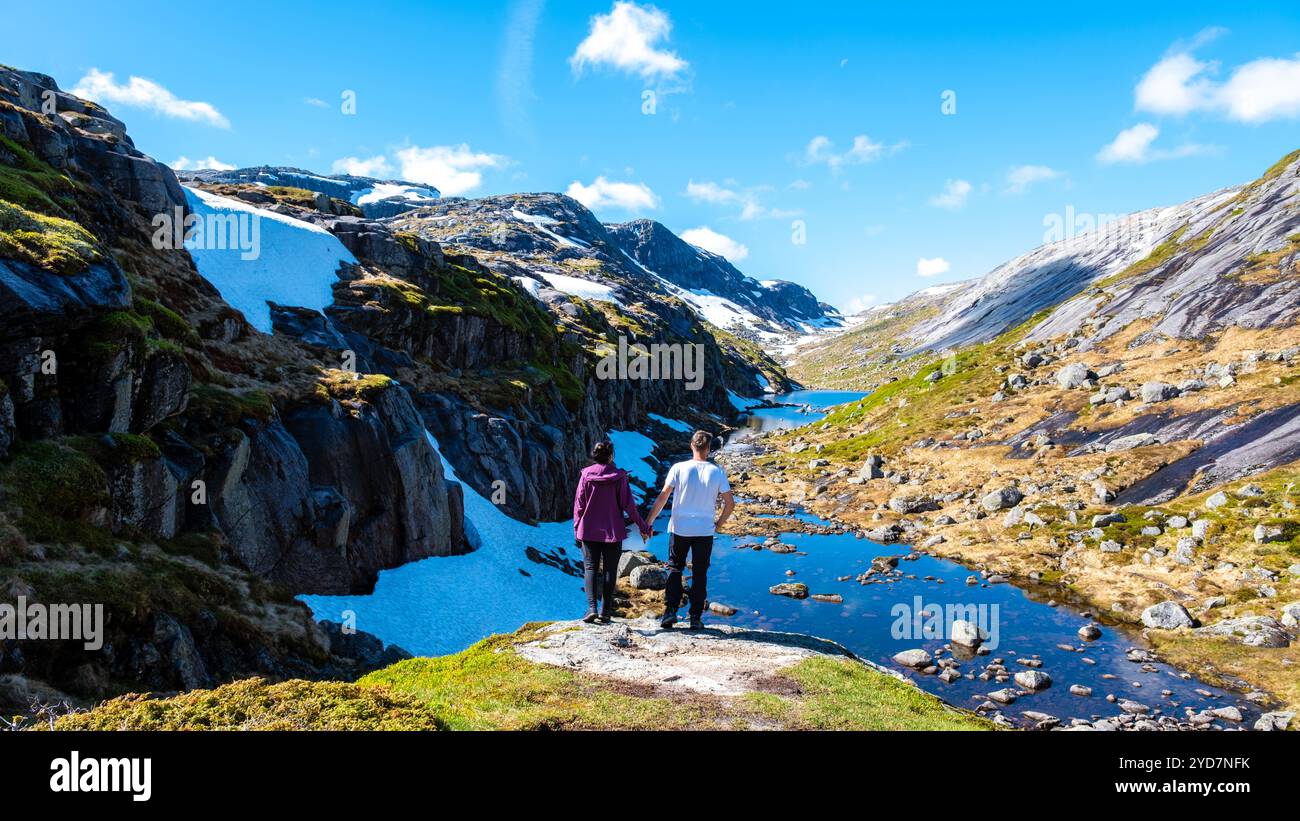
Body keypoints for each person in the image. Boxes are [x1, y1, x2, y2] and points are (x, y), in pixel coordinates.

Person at [646, 430, 735, 630]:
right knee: (700, 573)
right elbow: (729, 504)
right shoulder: (717, 471)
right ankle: (695, 617)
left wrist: (648, 522)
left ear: (691, 446)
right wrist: (718, 524)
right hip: (704, 530)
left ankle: (670, 612)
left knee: (675, 568)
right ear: (709, 448)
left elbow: (662, 498)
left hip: (680, 527)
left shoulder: (678, 468)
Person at [573, 439, 651, 624]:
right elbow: (629, 506)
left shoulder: (586, 475)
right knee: (610, 570)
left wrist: (577, 529)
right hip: (612, 531)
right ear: (611, 456)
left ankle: (591, 608)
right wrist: (643, 526)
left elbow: (579, 505)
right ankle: (606, 612)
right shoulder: (619, 477)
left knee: (590, 568)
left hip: (589, 530)